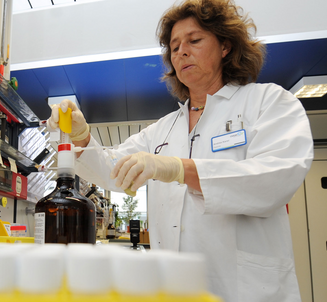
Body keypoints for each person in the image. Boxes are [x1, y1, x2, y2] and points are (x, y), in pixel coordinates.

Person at [48, 0, 313, 301]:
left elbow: (277, 177)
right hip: (174, 289)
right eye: (174, 47)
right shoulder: (164, 128)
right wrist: (83, 138)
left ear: (225, 46)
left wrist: (179, 169)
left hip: (245, 289)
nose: (181, 52)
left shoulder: (268, 103)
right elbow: (114, 171)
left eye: (194, 40)